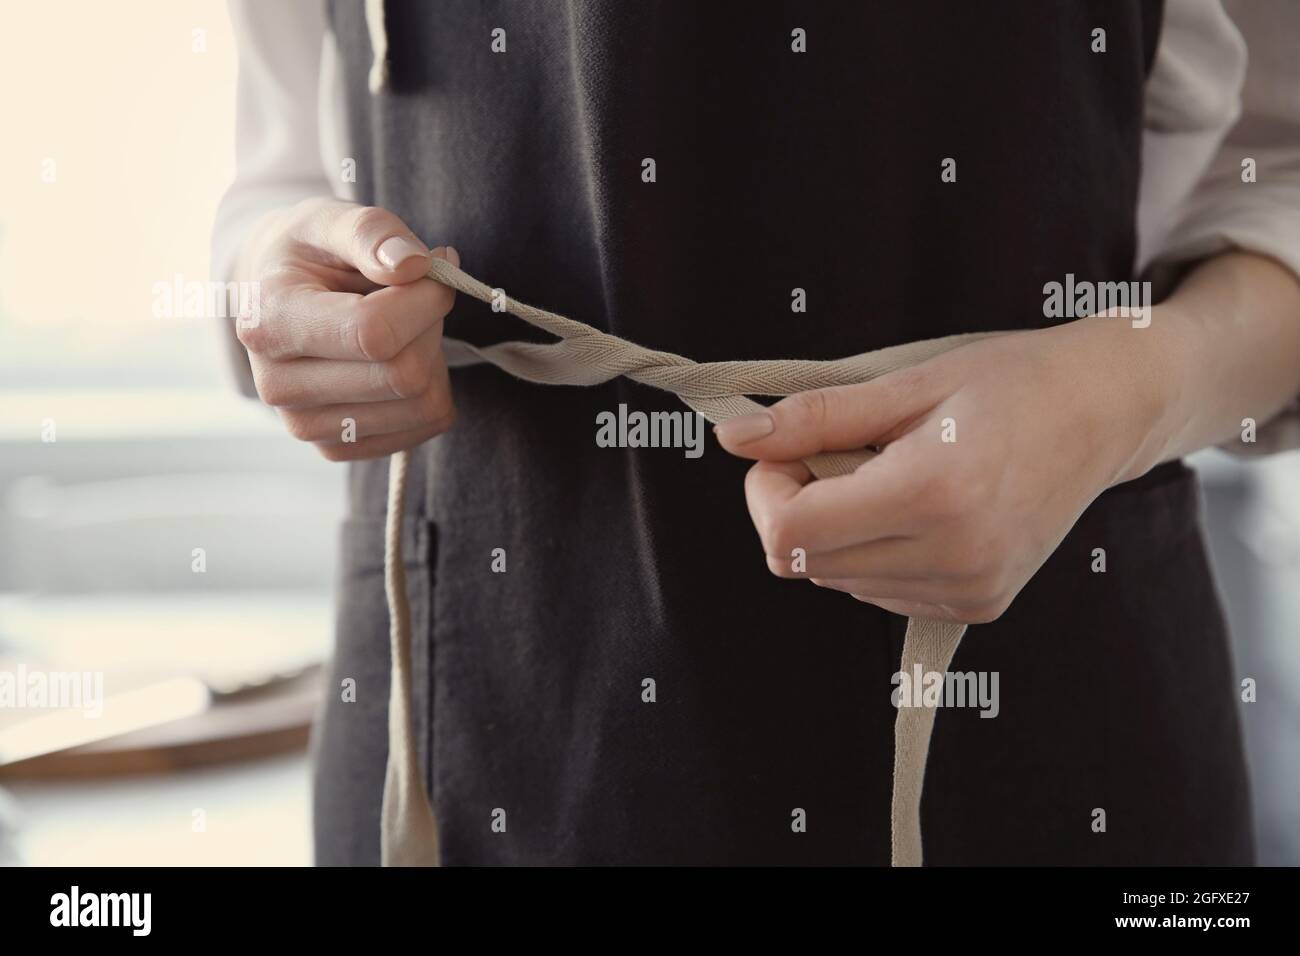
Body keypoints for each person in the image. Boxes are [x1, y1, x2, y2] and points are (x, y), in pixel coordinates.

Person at [213, 0, 1300, 865]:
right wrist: (276, 289)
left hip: (1035, 714)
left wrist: (1118, 398)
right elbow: (283, 170)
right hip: (470, 714)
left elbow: (1282, 169)